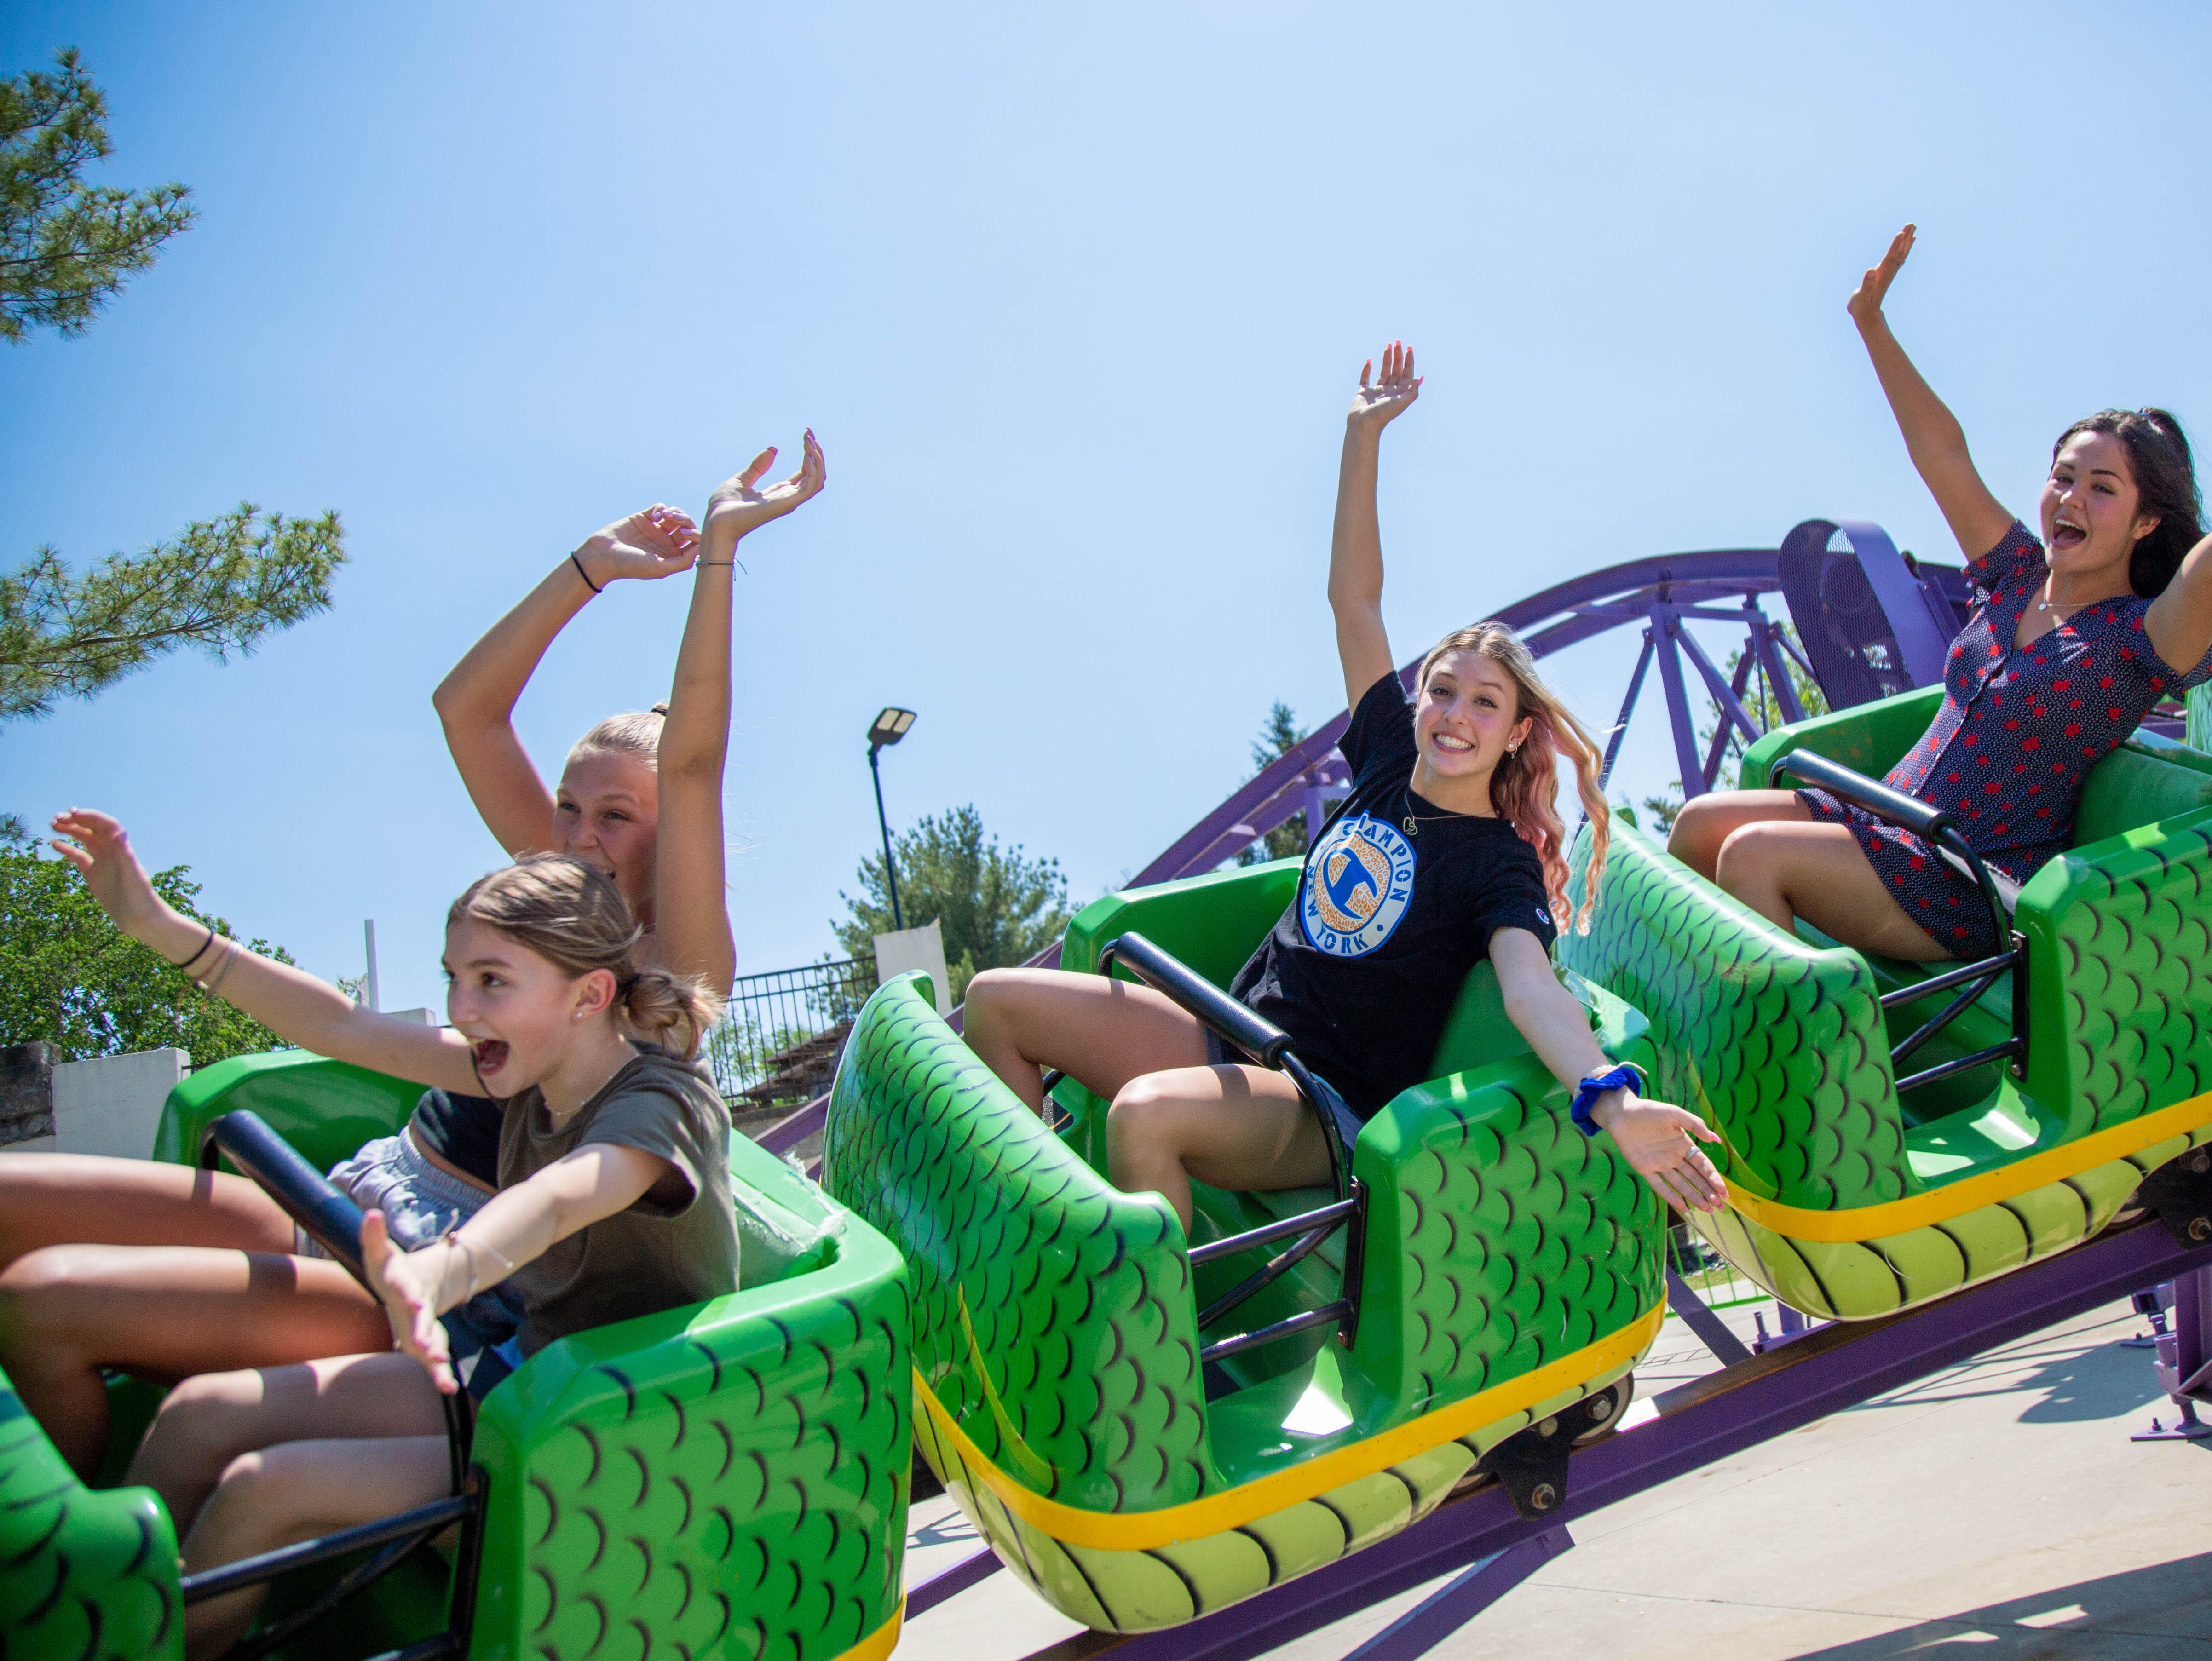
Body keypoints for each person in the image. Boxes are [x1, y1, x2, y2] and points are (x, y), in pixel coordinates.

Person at [0, 438, 821, 1476]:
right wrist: (589, 565)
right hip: (358, 1185)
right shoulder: (548, 914)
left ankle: (73, 1574)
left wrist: (717, 551)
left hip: (433, 1266)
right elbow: (463, 714)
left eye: (614, 815)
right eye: (567, 806)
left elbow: (696, 760)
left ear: (675, 840)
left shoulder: (658, 988)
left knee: (50, 1300)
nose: (571, 835)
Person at [965, 342, 1727, 1231]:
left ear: (1517, 732)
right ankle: (1052, 1253)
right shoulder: (1380, 759)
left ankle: (1160, 1359)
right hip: (1231, 1031)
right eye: (1441, 689)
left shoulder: (1497, 867)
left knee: (1143, 1114)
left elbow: (1531, 991)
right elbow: (1354, 602)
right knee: (997, 1002)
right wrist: (1360, 436)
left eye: (1484, 703)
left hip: (1316, 1102)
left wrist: (1611, 1100)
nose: (1452, 713)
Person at [1667, 225, 2212, 962]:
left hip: (1968, 876)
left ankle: (1814, 1071)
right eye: (2062, 478)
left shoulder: (2138, 637)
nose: (2069, 500)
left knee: (1751, 853)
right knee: (1699, 823)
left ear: (2148, 520)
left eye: (2101, 488)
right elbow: (1943, 457)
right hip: (1885, 821)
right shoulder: (2015, 574)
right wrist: (1872, 326)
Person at [47, 816, 734, 1661]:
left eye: (491, 981)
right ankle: (86, 1626)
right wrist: (160, 927)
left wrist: (444, 1268)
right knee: (199, 1415)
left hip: (618, 1434)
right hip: (527, 1382)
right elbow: (344, 1029)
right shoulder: (526, 1069)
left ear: (588, 995)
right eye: (454, 978)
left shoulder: (657, 1102)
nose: (459, 1007)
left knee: (268, 1490)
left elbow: (564, 1197)